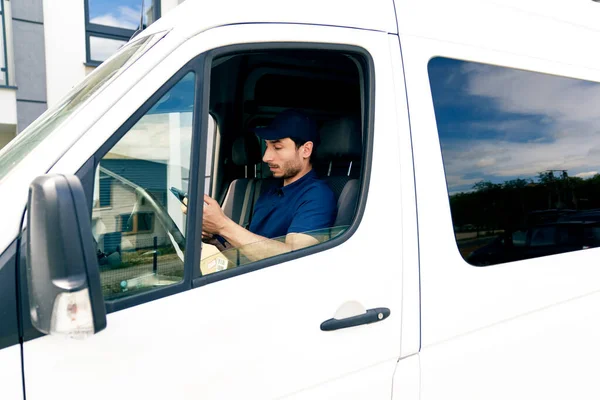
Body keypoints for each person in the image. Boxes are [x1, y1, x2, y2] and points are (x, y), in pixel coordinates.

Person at [185, 109, 337, 261]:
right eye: (267, 146)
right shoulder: (269, 191)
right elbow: (249, 256)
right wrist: (216, 238)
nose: (266, 157)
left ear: (306, 150)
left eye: (277, 147)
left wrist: (222, 224)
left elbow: (295, 258)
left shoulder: (317, 196)